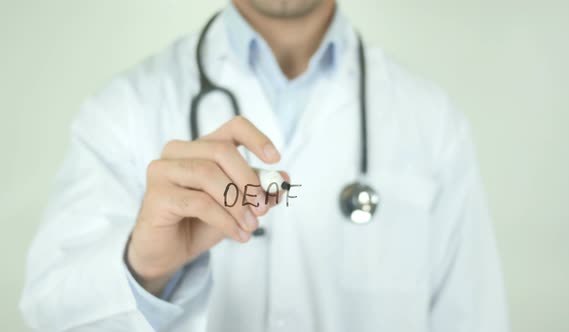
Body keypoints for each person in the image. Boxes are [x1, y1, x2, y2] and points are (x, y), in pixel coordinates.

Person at [20, 0, 509, 331]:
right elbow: (50, 315)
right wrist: (144, 269)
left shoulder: (433, 123)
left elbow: (475, 319)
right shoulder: (123, 110)